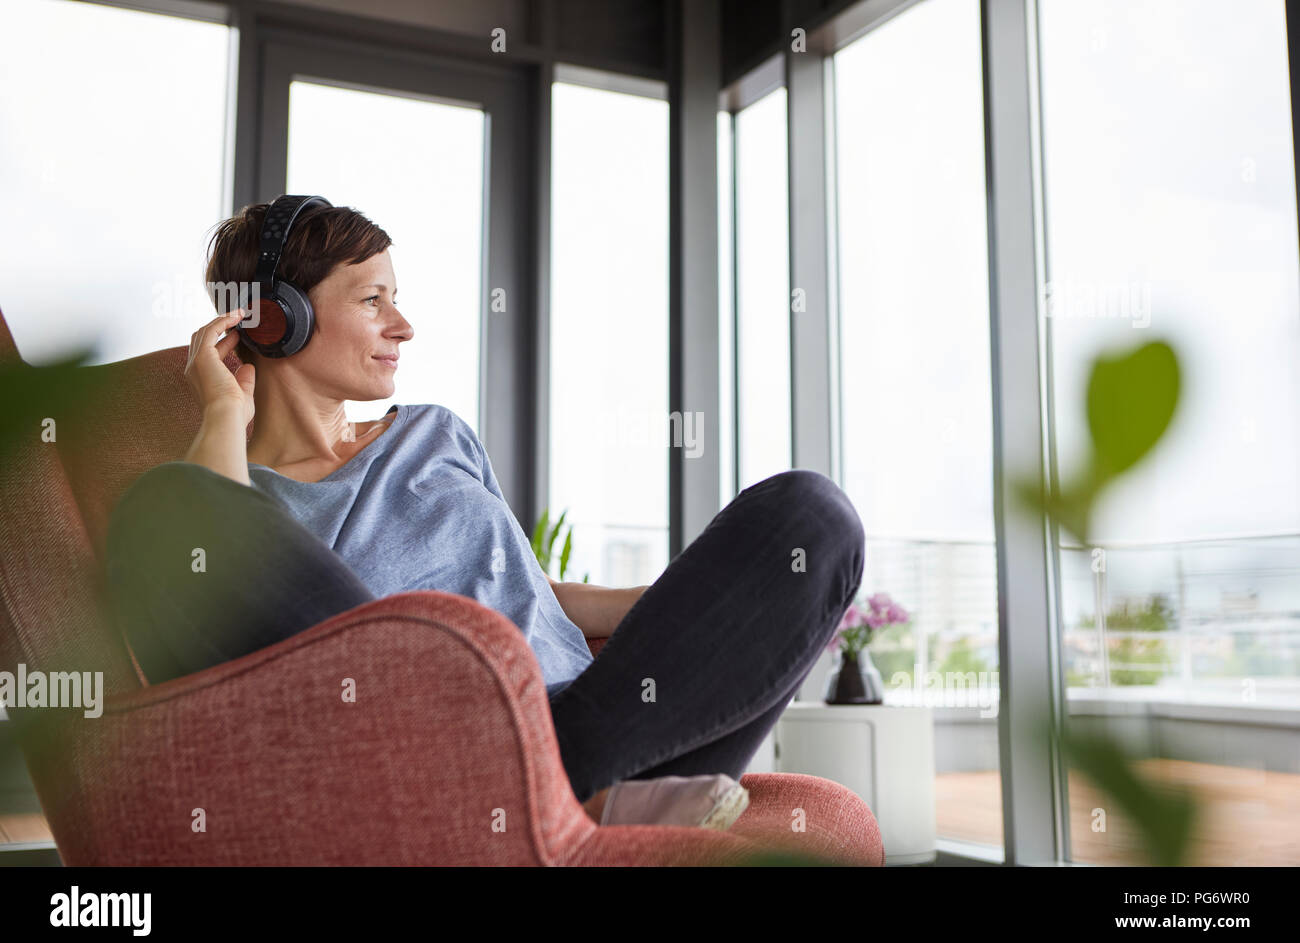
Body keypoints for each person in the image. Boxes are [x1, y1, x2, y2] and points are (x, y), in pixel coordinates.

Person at [105, 200, 865, 832]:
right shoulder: (236, 492)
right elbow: (204, 550)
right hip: (433, 750)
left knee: (813, 515)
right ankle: (581, 801)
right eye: (373, 300)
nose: (403, 327)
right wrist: (221, 412)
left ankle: (575, 794)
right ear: (278, 321)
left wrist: (705, 610)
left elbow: (526, 584)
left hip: (594, 712)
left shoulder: (437, 431)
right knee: (165, 506)